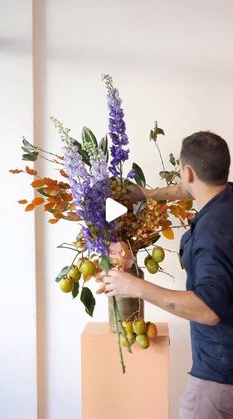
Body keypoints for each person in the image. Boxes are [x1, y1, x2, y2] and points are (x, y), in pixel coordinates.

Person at [103, 131, 233, 419]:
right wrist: (148, 195)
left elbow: (209, 309)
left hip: (219, 381)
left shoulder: (211, 234)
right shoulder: (227, 198)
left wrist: (137, 287)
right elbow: (187, 190)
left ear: (187, 172)